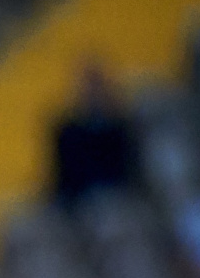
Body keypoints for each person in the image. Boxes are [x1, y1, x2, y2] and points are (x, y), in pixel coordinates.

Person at [54, 63, 139, 207]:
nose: (92, 92)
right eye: (87, 86)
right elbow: (64, 178)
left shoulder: (123, 128)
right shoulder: (67, 133)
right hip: (81, 203)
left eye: (97, 85)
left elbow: (131, 170)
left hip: (120, 199)